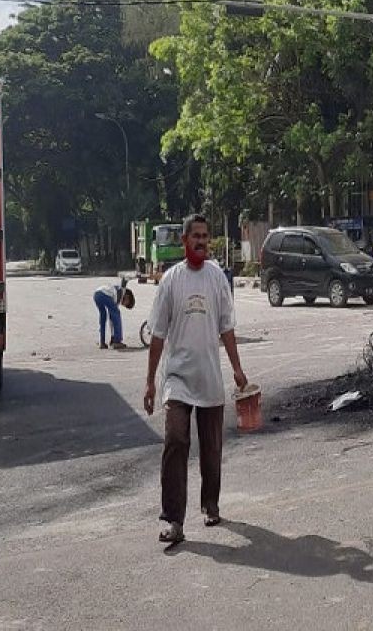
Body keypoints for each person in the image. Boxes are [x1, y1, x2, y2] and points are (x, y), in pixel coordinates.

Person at [144, 214, 249, 545]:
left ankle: (210, 503)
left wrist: (237, 368)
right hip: (177, 378)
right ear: (184, 241)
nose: (202, 241)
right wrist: (149, 381)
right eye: (196, 236)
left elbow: (226, 327)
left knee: (212, 449)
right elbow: (158, 335)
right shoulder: (171, 281)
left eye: (206, 236)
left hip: (209, 378)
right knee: (176, 439)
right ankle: (173, 520)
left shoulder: (217, 277)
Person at [93, 277, 135, 350]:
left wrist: (112, 336)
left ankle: (102, 342)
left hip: (97, 294)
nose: (124, 305)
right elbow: (124, 281)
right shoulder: (122, 292)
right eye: (126, 304)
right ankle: (117, 341)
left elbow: (111, 320)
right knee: (117, 314)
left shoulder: (116, 292)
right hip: (105, 294)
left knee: (103, 317)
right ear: (128, 297)